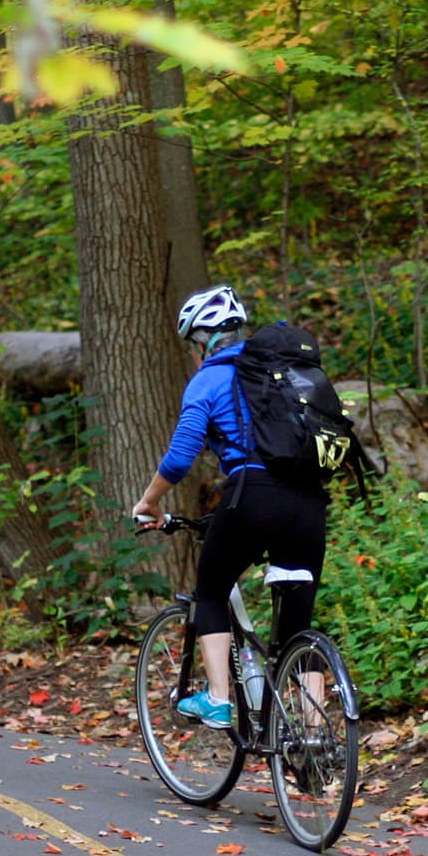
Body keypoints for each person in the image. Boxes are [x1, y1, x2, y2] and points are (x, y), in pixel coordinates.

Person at [130, 285, 329, 729]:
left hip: (254, 494)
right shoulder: (282, 373)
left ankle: (219, 699)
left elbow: (181, 456)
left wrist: (149, 501)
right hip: (310, 500)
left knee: (212, 590)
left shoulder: (210, 378)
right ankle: (318, 741)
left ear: (201, 340)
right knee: (299, 625)